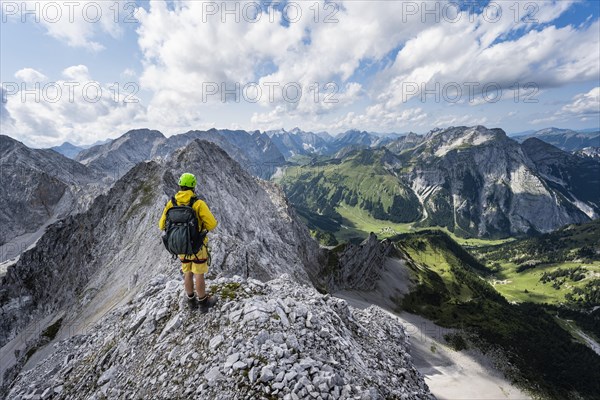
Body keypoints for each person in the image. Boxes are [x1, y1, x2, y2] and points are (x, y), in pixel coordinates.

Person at [159, 172, 218, 312]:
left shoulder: (171, 203)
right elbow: (212, 225)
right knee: (198, 273)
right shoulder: (198, 203)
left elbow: (162, 225)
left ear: (180, 185)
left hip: (182, 246)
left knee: (187, 273)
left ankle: (190, 301)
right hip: (197, 245)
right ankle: (203, 302)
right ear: (193, 187)